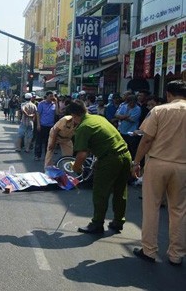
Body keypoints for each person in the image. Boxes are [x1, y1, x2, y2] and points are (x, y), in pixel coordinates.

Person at [131, 80, 186, 266]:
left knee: (151, 207)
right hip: (182, 166)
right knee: (179, 210)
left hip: (157, 163)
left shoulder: (159, 111)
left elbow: (146, 140)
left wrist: (136, 162)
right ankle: (176, 255)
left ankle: (149, 250)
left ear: (169, 94)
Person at [66, 100, 131, 234]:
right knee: (120, 190)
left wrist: (76, 168)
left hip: (110, 160)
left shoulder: (83, 127)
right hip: (125, 155)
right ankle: (118, 221)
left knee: (101, 192)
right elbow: (104, 141)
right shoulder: (97, 118)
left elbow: (82, 155)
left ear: (73, 115)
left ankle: (97, 223)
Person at [34, 91, 57, 161]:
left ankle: (47, 156)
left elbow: (58, 113)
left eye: (52, 96)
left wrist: (57, 103)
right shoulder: (41, 104)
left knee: (49, 142)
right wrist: (38, 124)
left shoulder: (54, 104)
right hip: (42, 125)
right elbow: (38, 114)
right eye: (50, 96)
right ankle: (37, 155)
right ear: (46, 96)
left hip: (50, 126)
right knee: (39, 141)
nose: (51, 97)